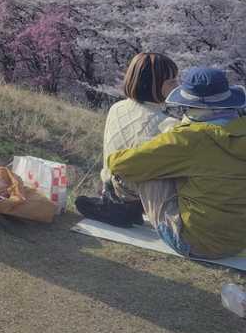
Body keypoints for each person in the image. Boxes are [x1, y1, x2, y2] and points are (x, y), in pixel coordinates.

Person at [105, 66, 246, 260]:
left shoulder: (189, 137)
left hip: (196, 243)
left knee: (143, 170)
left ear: (191, 105)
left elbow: (120, 164)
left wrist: (169, 137)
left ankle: (119, 208)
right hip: (238, 242)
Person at [75, 53, 178, 226]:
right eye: (172, 82)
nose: (177, 86)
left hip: (111, 186)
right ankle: (129, 210)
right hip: (143, 195)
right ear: (153, 84)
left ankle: (114, 205)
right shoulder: (168, 123)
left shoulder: (116, 108)